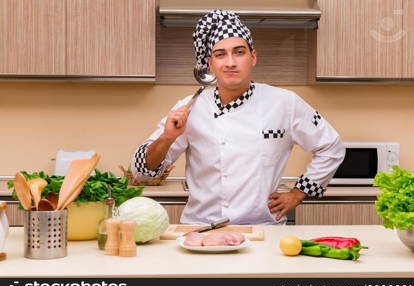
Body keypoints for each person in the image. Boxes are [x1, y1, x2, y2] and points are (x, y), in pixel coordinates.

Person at [131, 9, 345, 225]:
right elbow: (142, 173)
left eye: (239, 52)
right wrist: (167, 138)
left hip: (263, 230)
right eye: (220, 54)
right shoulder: (189, 108)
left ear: (253, 57)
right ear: (210, 64)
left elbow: (332, 146)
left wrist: (298, 194)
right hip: (201, 228)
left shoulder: (285, 103)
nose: (230, 62)